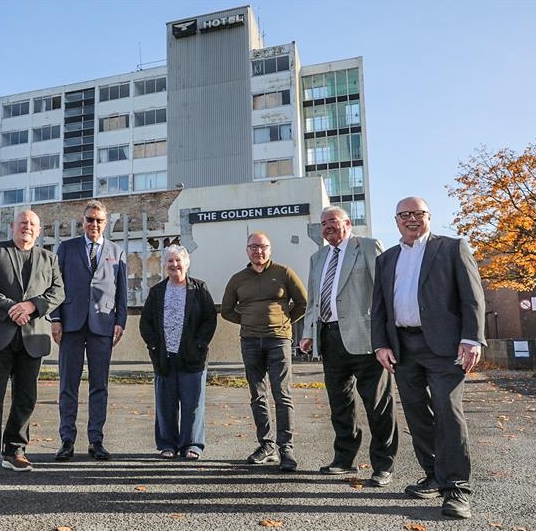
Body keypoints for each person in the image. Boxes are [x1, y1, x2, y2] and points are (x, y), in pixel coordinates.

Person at [371, 196, 485, 519]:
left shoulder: (452, 248)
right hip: (403, 348)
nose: (411, 219)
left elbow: (472, 297)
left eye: (417, 213)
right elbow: (379, 306)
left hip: (445, 347)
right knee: (416, 413)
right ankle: (433, 473)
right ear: (396, 221)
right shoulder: (387, 259)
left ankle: (457, 488)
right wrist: (380, 344)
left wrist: (472, 338)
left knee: (448, 412)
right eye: (404, 215)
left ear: (429, 216)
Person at [298, 206, 398, 487]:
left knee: (378, 405)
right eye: (323, 223)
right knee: (340, 405)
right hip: (330, 338)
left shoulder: (366, 246)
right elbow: (314, 301)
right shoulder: (318, 257)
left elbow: (384, 293)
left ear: (347, 223)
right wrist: (308, 333)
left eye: (333, 221)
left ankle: (382, 465)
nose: (327, 226)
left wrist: (386, 337)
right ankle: (344, 459)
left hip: (366, 340)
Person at [0, 210, 65, 478]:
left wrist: (32, 306)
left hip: (32, 337)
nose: (27, 227)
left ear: (39, 231)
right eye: (22, 223)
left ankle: (14, 451)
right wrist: (12, 307)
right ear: (12, 226)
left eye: (32, 224)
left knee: (26, 398)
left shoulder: (49, 258)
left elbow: (58, 291)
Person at [221, 231, 307, 472]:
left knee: (282, 394)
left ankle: (286, 449)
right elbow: (227, 310)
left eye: (263, 247)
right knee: (257, 395)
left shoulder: (284, 273)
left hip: (278, 340)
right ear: (247, 250)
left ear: (270, 249)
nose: (258, 251)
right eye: (253, 247)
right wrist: (249, 321)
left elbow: (302, 303)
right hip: (249, 341)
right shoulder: (238, 279)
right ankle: (266, 446)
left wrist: (284, 321)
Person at [51, 200, 127, 461]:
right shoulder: (67, 248)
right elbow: (56, 285)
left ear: (106, 223)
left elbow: (121, 292)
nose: (94, 224)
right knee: (68, 386)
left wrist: (121, 321)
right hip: (71, 325)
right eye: (90, 219)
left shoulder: (116, 251)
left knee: (99, 386)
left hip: (102, 326)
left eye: (99, 220)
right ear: (82, 221)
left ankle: (96, 440)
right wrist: (55, 318)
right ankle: (67, 440)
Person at [139, 245, 217, 460]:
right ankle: (168, 444)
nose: (174, 265)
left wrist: (200, 344)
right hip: (165, 357)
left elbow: (210, 319)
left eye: (178, 261)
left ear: (186, 263)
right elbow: (146, 322)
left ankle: (192, 445)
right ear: (165, 266)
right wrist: (153, 346)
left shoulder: (199, 289)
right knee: (166, 404)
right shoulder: (157, 292)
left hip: (192, 357)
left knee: (193, 404)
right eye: (170, 262)